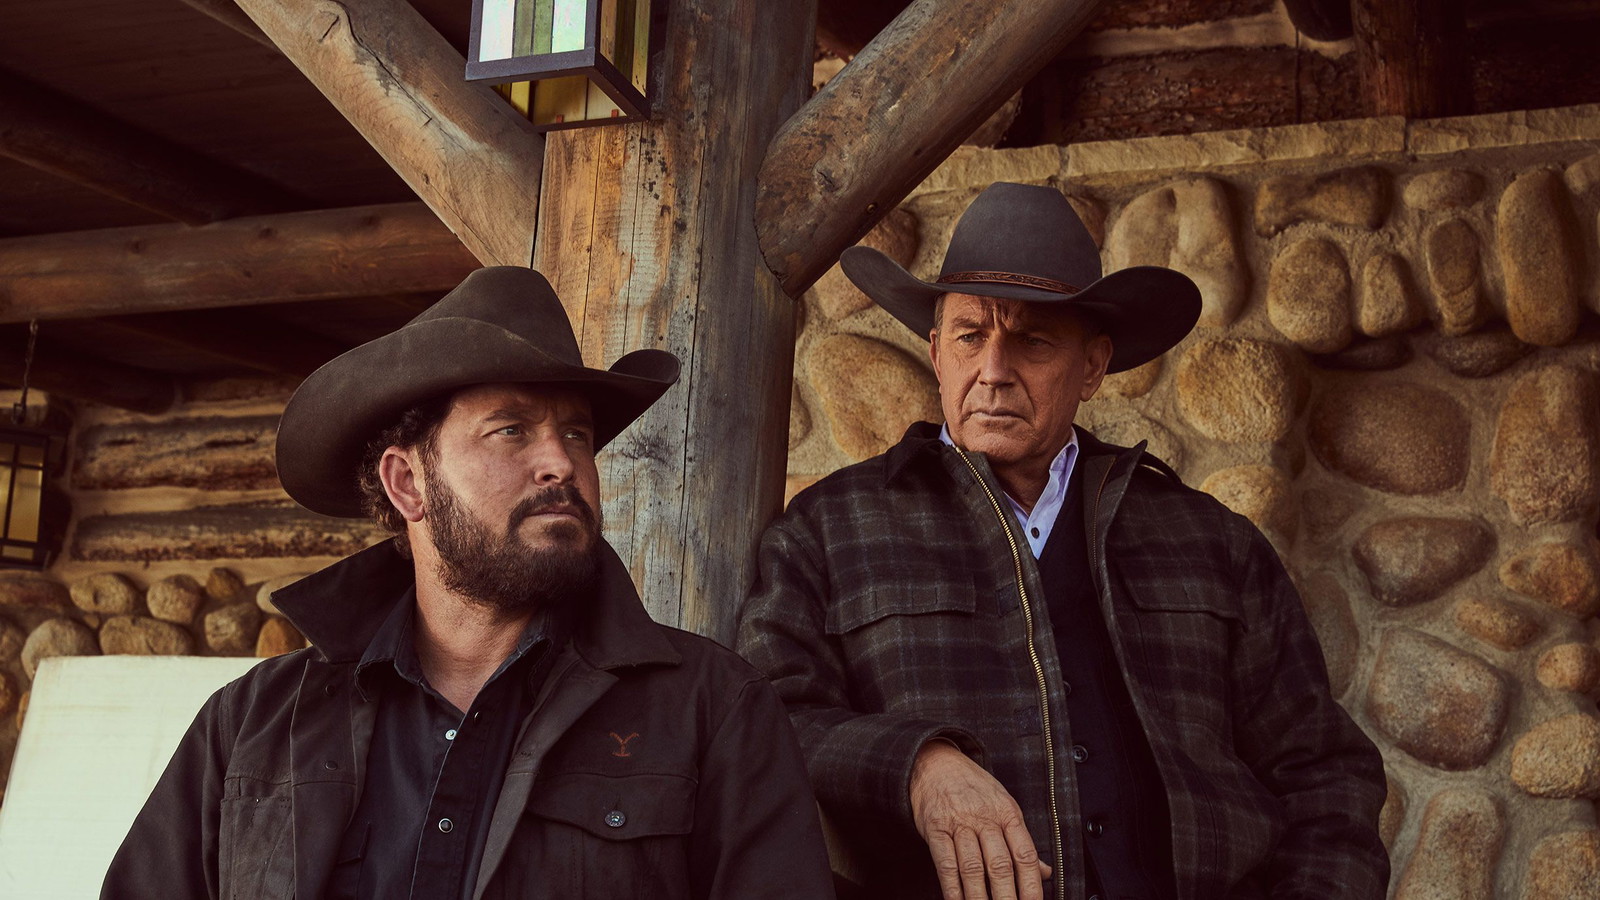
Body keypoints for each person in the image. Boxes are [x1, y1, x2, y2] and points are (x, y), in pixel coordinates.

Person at [737, 183, 1388, 900]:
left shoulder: (1212, 544)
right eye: (969, 335)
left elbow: (1324, 774)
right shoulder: (829, 531)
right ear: (935, 352)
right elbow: (766, 720)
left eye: (1033, 339)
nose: (993, 370)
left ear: (1093, 366)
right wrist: (919, 764)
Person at [103, 266, 834, 900]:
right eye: (511, 430)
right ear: (408, 483)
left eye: (575, 433)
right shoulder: (253, 723)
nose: (560, 462)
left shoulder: (712, 708)